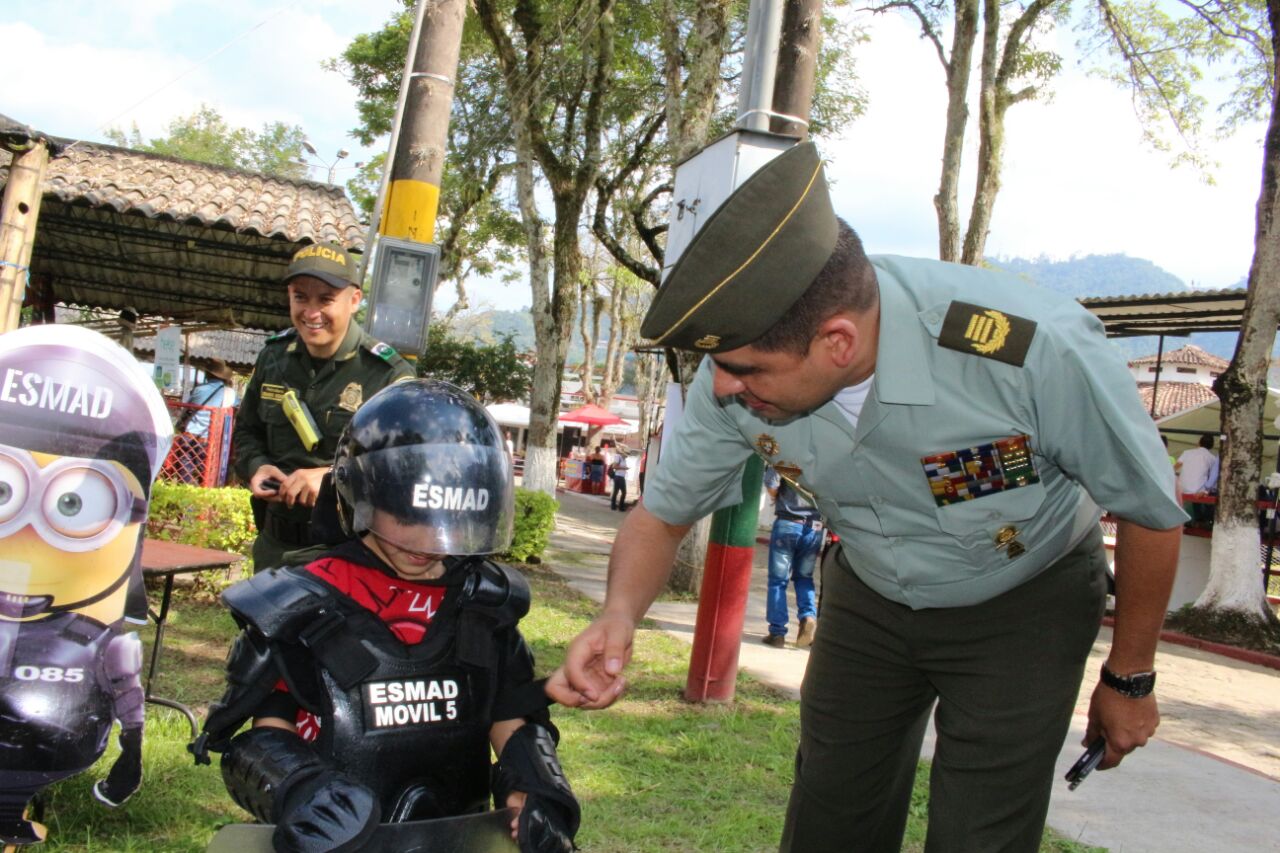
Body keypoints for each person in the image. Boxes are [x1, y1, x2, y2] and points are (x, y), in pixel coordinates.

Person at [547, 142, 1185, 852]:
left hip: (1024, 598)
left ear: (838, 342)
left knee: (981, 833)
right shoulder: (736, 377)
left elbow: (1151, 512)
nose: (724, 387)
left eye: (745, 370)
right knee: (831, 816)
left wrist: (1129, 677)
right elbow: (662, 513)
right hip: (872, 594)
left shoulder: (1033, 353)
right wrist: (617, 615)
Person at [195, 380, 578, 853]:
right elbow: (264, 732)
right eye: (407, 518)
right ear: (365, 494)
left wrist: (532, 787)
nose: (427, 541)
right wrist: (301, 791)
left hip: (459, 833)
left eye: (445, 522)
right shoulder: (301, 601)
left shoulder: (481, 604)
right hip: (338, 839)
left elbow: (507, 711)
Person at [233, 241, 414, 572]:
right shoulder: (273, 358)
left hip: (347, 558)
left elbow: (405, 466)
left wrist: (335, 478)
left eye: (326, 299)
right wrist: (257, 465)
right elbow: (247, 431)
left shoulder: (387, 374)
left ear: (354, 300)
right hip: (274, 551)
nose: (311, 312)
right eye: (300, 297)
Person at [761, 466, 823, 649]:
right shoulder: (826, 455)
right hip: (814, 526)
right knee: (804, 577)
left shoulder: (787, 450)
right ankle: (808, 617)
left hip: (788, 522)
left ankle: (777, 632)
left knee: (778, 580)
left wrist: (777, 496)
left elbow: (771, 482)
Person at [174, 357, 237, 484]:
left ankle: (181, 495)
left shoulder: (198, 390)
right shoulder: (229, 394)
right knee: (206, 474)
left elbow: (187, 411)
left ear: (207, 374)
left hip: (189, 437)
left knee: (184, 473)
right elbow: (237, 408)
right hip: (209, 440)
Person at [1176, 434, 1218, 527]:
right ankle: (1205, 520)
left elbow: (1176, 466)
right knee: (1206, 489)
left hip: (1182, 488)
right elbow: (1212, 476)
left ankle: (1197, 520)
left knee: (1197, 488)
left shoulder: (1187, 452)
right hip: (1197, 491)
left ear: (1199, 443)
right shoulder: (1212, 458)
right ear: (1212, 446)